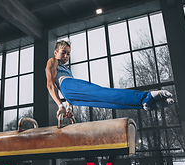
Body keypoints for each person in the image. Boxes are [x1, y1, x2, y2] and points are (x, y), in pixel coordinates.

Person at [45, 39, 174, 118]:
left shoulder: (67, 70)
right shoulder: (53, 61)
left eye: (68, 54)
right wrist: (60, 106)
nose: (66, 56)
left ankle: (143, 104)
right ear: (56, 52)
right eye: (63, 53)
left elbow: (68, 94)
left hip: (70, 94)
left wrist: (68, 108)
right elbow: (50, 85)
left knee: (106, 101)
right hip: (67, 86)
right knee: (102, 92)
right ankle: (144, 97)